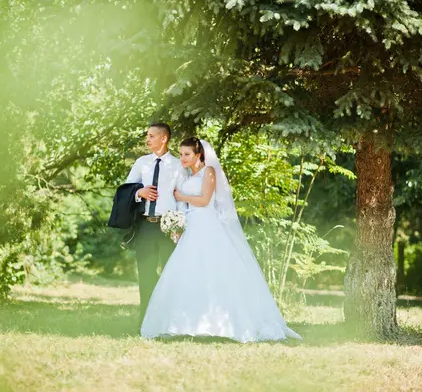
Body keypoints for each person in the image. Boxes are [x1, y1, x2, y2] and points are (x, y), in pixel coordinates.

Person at [140, 137, 302, 343]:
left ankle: (224, 322)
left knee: (214, 269)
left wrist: (182, 197)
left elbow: (205, 200)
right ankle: (187, 322)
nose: (182, 158)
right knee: (189, 271)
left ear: (199, 154)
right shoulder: (187, 174)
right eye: (180, 154)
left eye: (187, 154)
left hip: (207, 224)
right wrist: (177, 223)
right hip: (191, 226)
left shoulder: (209, 172)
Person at [125, 123, 186, 324]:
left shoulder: (177, 165)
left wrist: (179, 228)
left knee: (171, 276)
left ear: (164, 138)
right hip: (145, 227)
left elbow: (182, 199)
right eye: (147, 136)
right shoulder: (142, 163)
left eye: (151, 136)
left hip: (169, 229)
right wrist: (138, 193)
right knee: (146, 275)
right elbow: (125, 189)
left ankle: (170, 322)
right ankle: (146, 322)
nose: (147, 139)